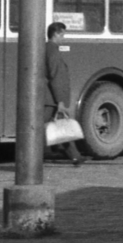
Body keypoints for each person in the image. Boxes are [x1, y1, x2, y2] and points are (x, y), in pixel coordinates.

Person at [45, 23, 83, 165]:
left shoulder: (48, 48)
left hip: (50, 96)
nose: (63, 38)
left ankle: (75, 156)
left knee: (61, 124)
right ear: (56, 34)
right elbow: (55, 74)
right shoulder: (52, 50)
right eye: (62, 35)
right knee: (39, 129)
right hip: (50, 97)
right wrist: (60, 100)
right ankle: (30, 157)